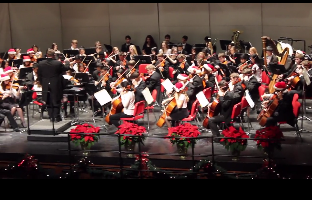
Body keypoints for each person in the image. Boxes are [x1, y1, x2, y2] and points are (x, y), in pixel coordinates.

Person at [37, 49, 70, 122]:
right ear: (54, 55)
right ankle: (56, 117)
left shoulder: (41, 63)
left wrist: (43, 83)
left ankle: (51, 117)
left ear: (47, 55)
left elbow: (39, 75)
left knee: (48, 101)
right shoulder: (57, 63)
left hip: (45, 84)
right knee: (56, 101)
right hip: (56, 84)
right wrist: (67, 61)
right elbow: (66, 68)